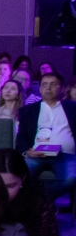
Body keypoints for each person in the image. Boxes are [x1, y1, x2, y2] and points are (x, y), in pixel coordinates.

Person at [15, 67, 76, 208]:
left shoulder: (72, 108)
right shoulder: (28, 111)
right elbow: (22, 136)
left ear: (61, 88)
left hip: (67, 155)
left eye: (53, 84)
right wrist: (27, 151)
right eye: (44, 84)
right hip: (37, 154)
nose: (48, 88)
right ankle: (39, 205)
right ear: (40, 88)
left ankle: (41, 201)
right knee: (20, 175)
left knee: (71, 178)